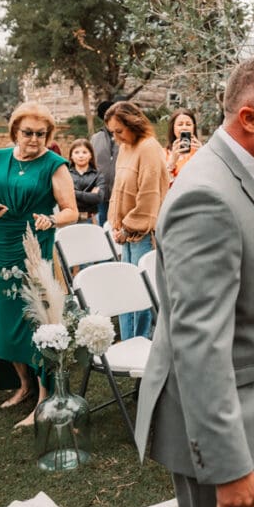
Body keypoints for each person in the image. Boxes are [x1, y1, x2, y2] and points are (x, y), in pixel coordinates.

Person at [134, 56, 254, 507]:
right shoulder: (205, 194)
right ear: (249, 118)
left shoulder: (244, 173)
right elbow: (199, 339)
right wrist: (227, 465)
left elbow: (240, 244)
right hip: (221, 420)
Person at [0, 102, 78, 426]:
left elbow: (71, 210)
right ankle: (23, 384)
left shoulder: (54, 165)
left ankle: (44, 397)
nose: (34, 139)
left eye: (41, 134)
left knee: (36, 318)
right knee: (5, 319)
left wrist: (52, 219)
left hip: (34, 247)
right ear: (15, 132)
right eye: (28, 132)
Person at [105, 101, 169, 340]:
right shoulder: (125, 147)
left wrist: (129, 226)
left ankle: (142, 342)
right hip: (125, 232)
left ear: (134, 124)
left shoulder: (149, 147)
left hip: (143, 232)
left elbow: (148, 196)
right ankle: (129, 340)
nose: (116, 137)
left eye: (119, 131)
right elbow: (119, 189)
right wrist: (116, 223)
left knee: (142, 292)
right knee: (126, 289)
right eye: (112, 132)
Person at [90, 100, 119, 226]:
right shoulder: (96, 138)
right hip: (101, 192)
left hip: (120, 192)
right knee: (103, 223)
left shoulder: (126, 138)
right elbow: (90, 163)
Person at [67, 139, 104, 224]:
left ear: (91, 155)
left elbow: (98, 198)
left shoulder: (97, 174)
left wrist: (74, 192)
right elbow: (64, 197)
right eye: (76, 152)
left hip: (91, 219)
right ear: (71, 156)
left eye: (84, 152)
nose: (81, 156)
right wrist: (89, 195)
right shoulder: (66, 174)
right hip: (70, 220)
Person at [163, 108, 203, 185]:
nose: (184, 127)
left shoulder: (201, 151)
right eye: (180, 124)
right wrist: (172, 162)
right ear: (173, 127)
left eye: (188, 124)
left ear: (193, 127)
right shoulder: (163, 153)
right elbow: (159, 185)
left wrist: (203, 155)